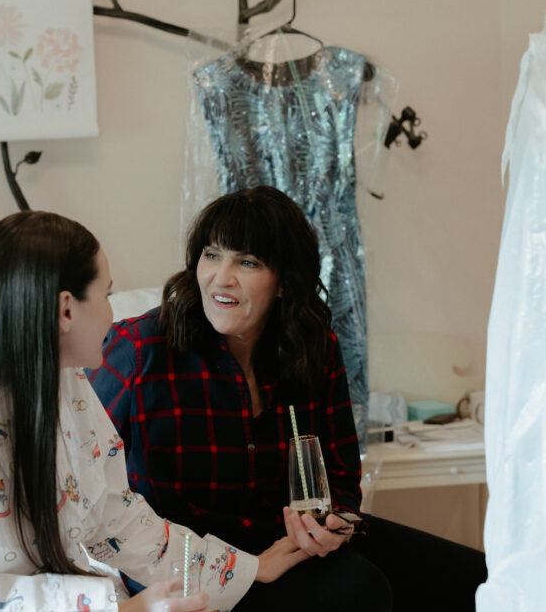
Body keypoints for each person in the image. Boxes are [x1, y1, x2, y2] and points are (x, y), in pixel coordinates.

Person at [0, 210, 308, 612]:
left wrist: (245, 570)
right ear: (67, 309)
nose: (113, 315)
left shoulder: (69, 388)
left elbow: (119, 519)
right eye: (106, 295)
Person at [89, 186, 487, 612]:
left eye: (247, 261)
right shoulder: (138, 349)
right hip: (187, 560)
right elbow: (86, 487)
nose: (221, 277)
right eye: (212, 254)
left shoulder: (312, 347)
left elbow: (339, 476)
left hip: (287, 542)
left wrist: (334, 524)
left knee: (480, 579)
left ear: (283, 282)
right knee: (358, 591)